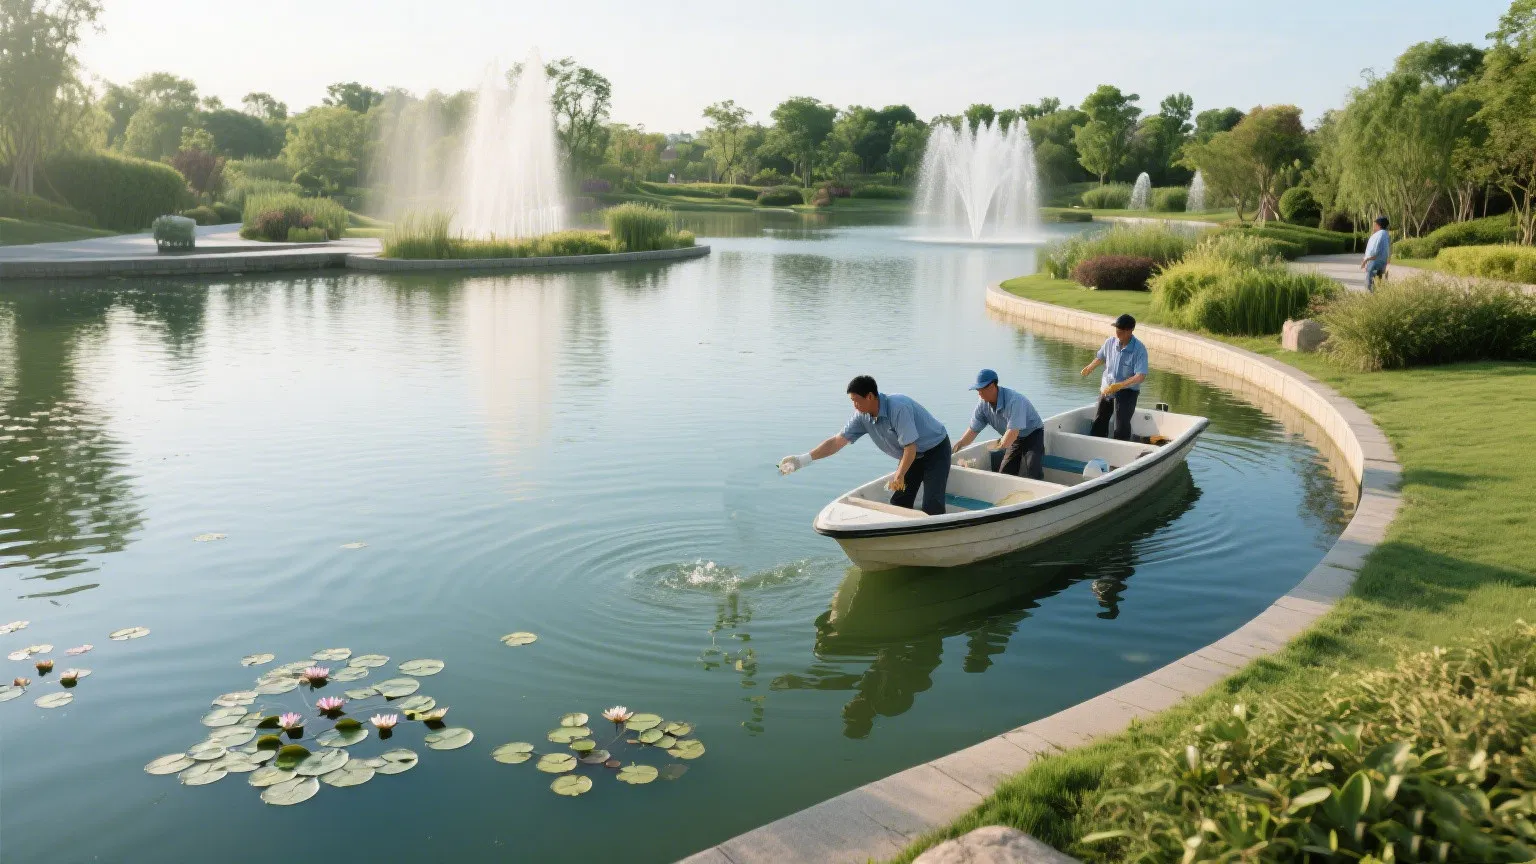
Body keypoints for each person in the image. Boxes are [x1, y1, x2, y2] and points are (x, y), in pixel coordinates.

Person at [779, 375, 952, 515]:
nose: (854, 405)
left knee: (932, 506)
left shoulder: (899, 407)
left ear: (870, 396)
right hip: (910, 456)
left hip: (935, 450)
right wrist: (802, 460)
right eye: (852, 401)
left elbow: (910, 448)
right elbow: (836, 442)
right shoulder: (862, 416)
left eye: (856, 400)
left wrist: (899, 474)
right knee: (898, 503)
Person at [950, 369, 1046, 480]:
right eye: (978, 390)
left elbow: (1012, 433)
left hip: (1032, 433)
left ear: (992, 386)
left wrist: (997, 445)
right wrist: (958, 446)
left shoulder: (1014, 400)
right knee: (1004, 474)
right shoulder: (982, 405)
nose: (979, 394)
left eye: (981, 390)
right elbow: (973, 430)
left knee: (1033, 470)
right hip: (1013, 438)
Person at [1080, 314, 1148, 441]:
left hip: (1127, 391)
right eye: (1117, 329)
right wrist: (1090, 367)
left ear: (1130, 331)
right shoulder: (1110, 342)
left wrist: (1121, 385)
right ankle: (1095, 445)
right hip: (1107, 388)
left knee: (1121, 425)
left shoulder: (1139, 349)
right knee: (1099, 419)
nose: (1117, 332)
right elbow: (1101, 357)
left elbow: (1140, 376)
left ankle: (1121, 450)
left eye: (1121, 330)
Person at [1361, 215, 1391, 291]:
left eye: (1375, 224)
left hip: (1374, 265)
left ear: (1378, 225)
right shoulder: (1386, 235)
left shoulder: (1378, 235)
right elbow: (1388, 252)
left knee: (1370, 287)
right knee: (1378, 286)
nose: (1374, 226)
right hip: (1382, 265)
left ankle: (1371, 301)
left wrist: (1365, 260)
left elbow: (1374, 251)